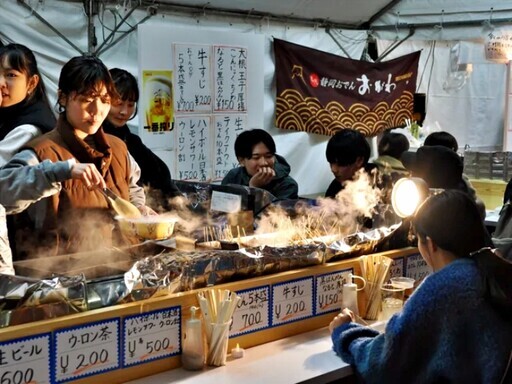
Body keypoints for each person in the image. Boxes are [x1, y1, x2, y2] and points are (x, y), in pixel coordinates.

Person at [329, 190, 512, 384]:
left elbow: (382, 366)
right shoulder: (491, 267)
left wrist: (346, 332)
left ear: (430, 243)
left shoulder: (446, 286)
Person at [0, 55, 153, 259]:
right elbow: (4, 191)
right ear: (63, 97)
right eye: (86, 100)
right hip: (61, 278)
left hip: (120, 270)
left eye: (105, 100)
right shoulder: (43, 151)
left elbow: (133, 189)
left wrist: (140, 209)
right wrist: (59, 172)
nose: (97, 110)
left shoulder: (118, 148)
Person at [103, 68, 182, 209]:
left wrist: (180, 206)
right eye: (118, 103)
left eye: (130, 104)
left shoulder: (132, 141)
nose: (124, 111)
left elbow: (160, 174)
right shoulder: (94, 141)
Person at [0, 43, 56, 166]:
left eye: (11, 75)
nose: (1, 83)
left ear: (32, 83)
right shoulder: (10, 114)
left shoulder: (28, 130)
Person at [221, 128, 298, 200]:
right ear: (241, 161)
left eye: (269, 156)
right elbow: (221, 208)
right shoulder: (233, 177)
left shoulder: (287, 185)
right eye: (256, 157)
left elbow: (274, 213)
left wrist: (255, 189)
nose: (264, 163)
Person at [324, 128, 376, 198]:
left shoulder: (379, 181)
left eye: (340, 164)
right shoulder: (335, 187)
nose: (333, 169)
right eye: (331, 162)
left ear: (359, 160)